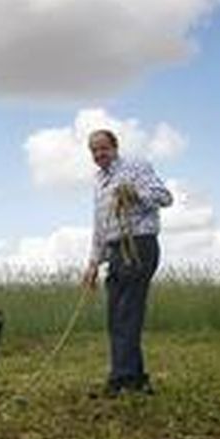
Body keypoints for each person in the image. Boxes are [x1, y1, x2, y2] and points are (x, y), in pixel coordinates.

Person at [80, 129, 173, 396]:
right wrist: (93, 264)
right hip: (115, 250)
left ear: (115, 147)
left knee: (126, 315)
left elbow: (165, 198)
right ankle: (135, 379)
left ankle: (121, 380)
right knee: (116, 317)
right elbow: (100, 226)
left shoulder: (135, 167)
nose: (99, 154)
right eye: (94, 151)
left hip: (139, 245)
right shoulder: (99, 181)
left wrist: (135, 194)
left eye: (103, 148)